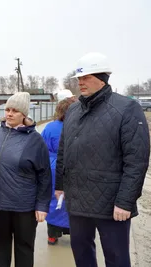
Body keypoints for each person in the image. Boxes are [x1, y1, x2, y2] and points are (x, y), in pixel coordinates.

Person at [55, 52, 150, 267]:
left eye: (85, 78)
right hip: (77, 200)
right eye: (78, 79)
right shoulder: (73, 110)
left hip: (111, 204)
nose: (80, 83)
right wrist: (60, 186)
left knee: (116, 258)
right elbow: (64, 150)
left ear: (102, 78)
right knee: (81, 253)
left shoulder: (126, 108)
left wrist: (125, 202)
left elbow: (136, 160)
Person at [0, 92, 51, 267]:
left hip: (24, 206)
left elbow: (44, 175)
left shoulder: (35, 140)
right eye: (7, 109)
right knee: (1, 243)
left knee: (24, 246)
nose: (9, 113)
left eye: (15, 111)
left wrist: (42, 205)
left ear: (24, 115)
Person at [41, 92, 76, 245]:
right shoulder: (79, 126)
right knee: (73, 200)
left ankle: (52, 235)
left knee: (54, 200)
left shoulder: (50, 127)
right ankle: (75, 233)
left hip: (53, 167)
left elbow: (42, 147)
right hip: (74, 166)